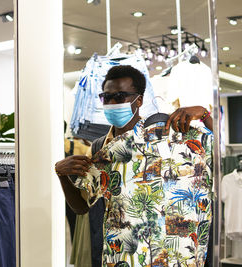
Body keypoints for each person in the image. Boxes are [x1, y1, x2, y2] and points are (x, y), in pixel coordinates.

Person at [55, 65, 214, 266]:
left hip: (178, 257)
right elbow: (81, 206)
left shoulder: (177, 137)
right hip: (126, 257)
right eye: (106, 97)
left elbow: (219, 149)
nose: (112, 103)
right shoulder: (102, 148)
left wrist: (206, 115)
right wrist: (61, 174)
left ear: (138, 100)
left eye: (120, 96)